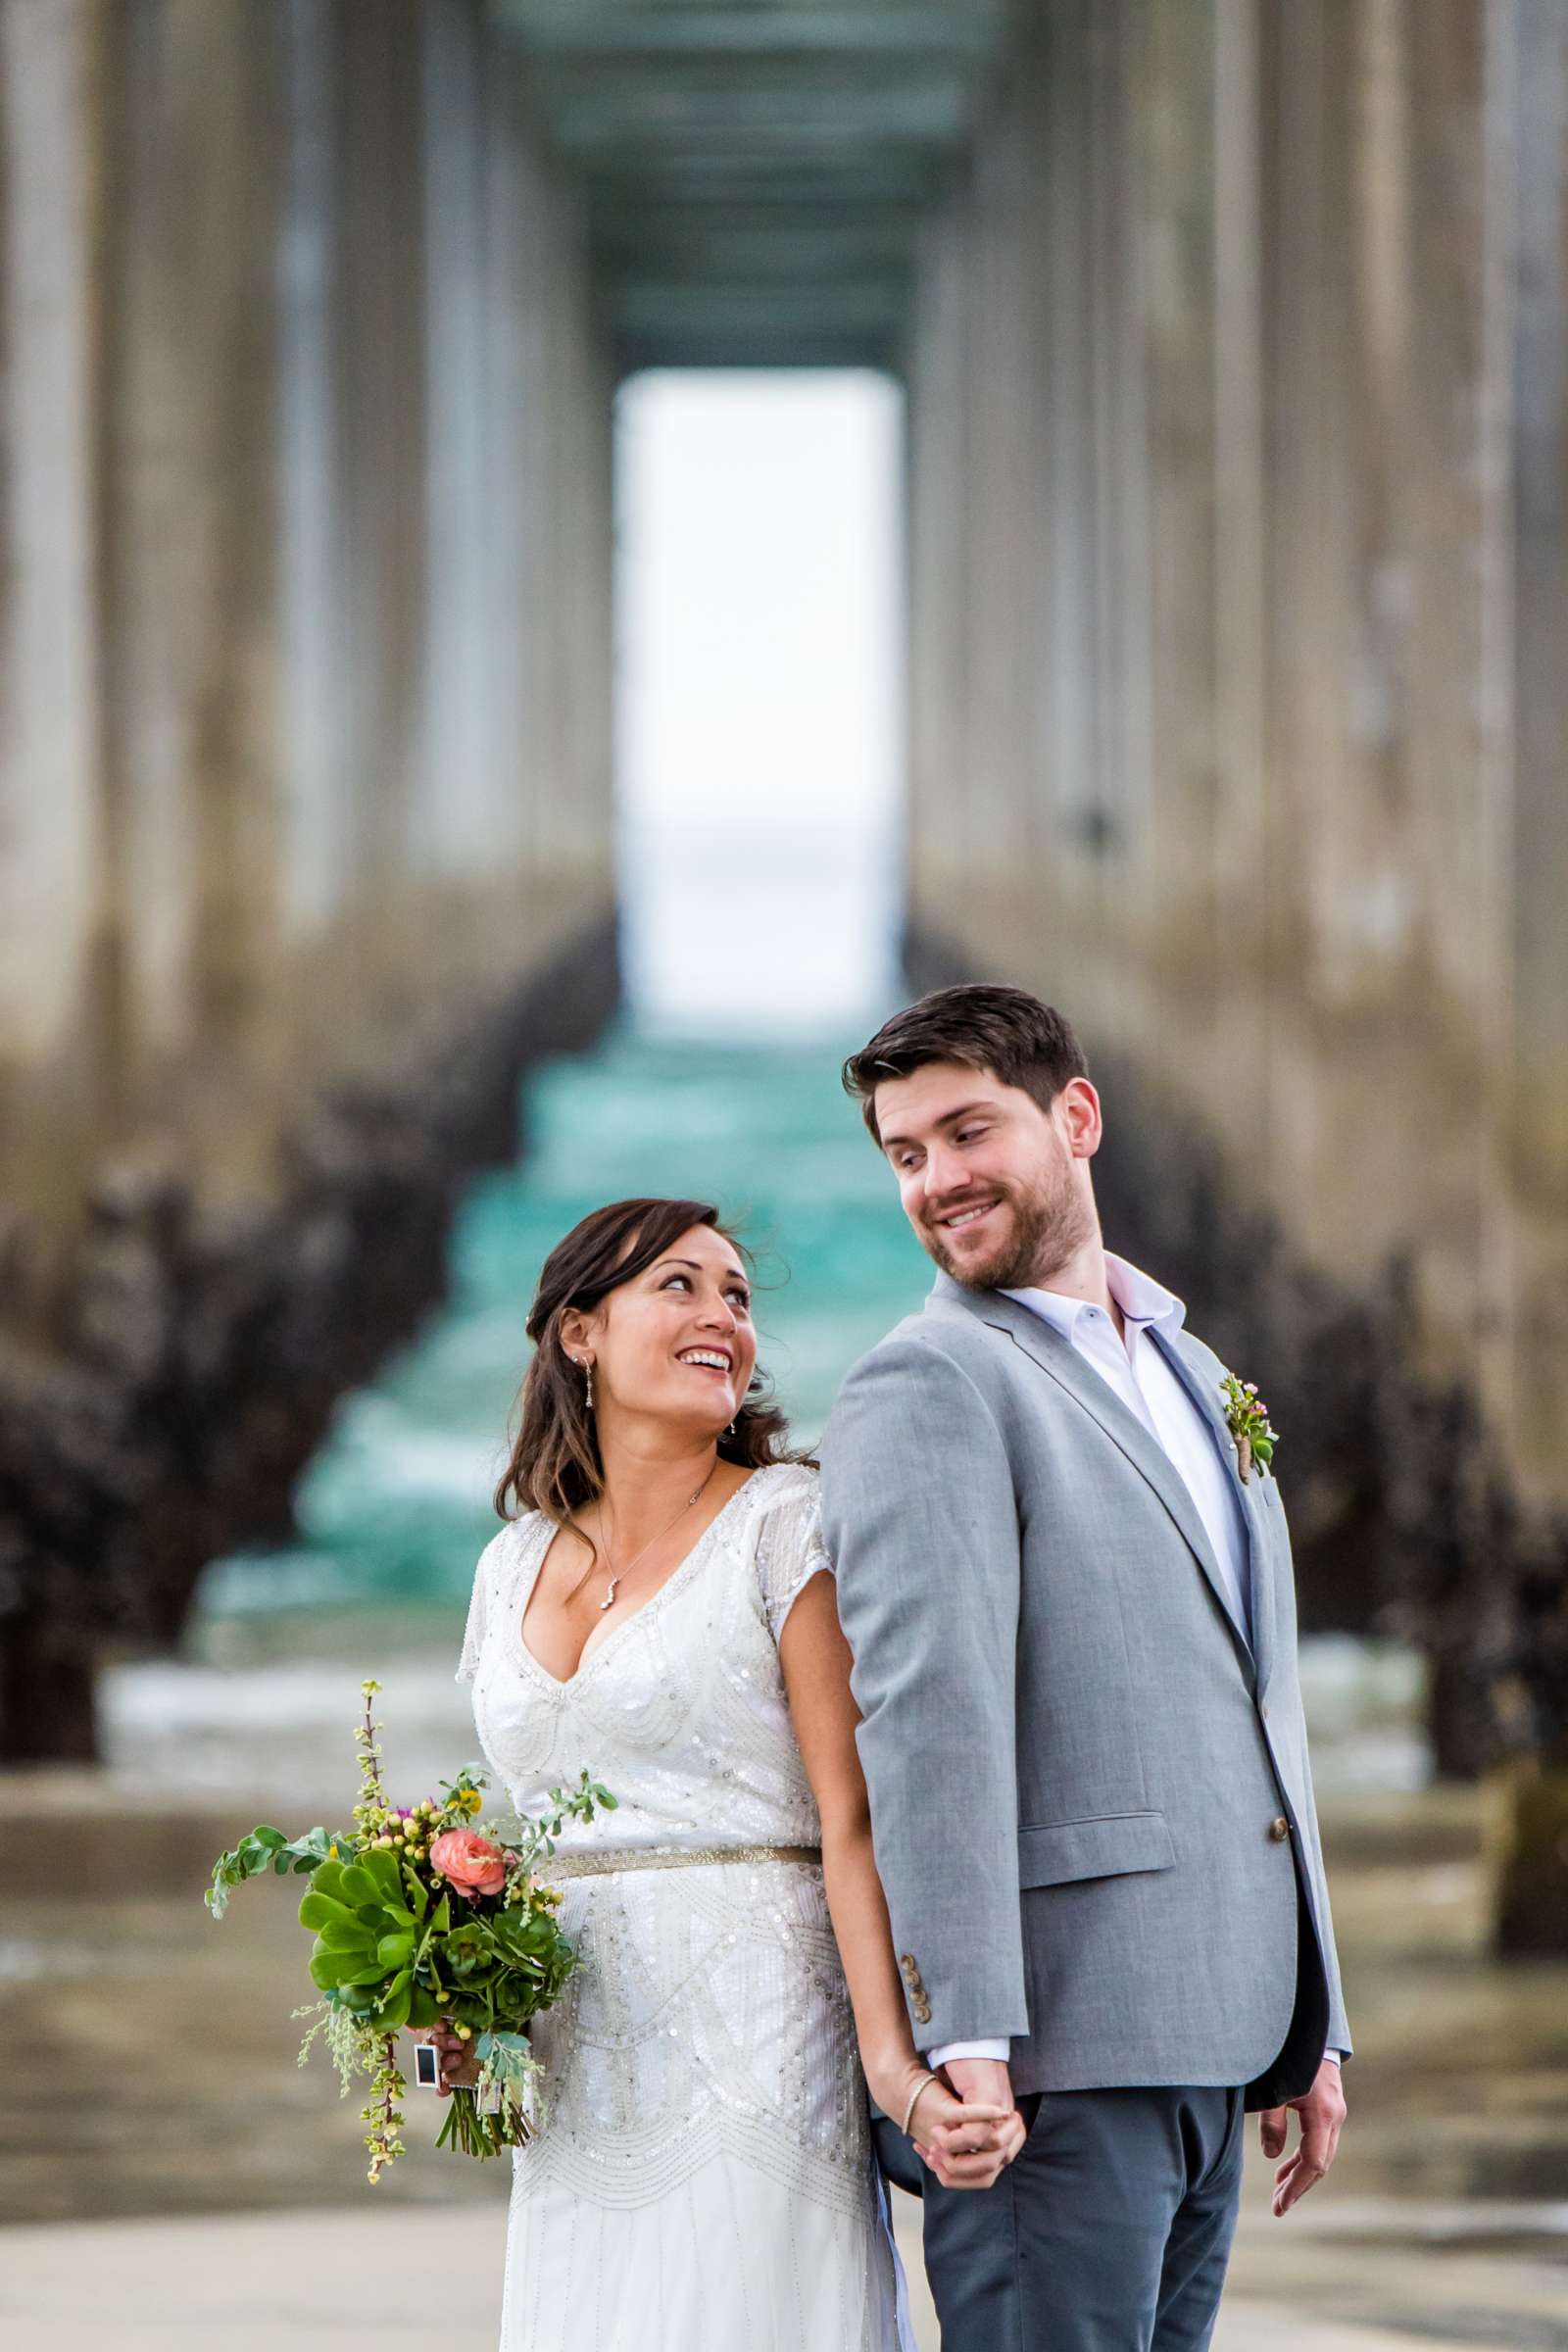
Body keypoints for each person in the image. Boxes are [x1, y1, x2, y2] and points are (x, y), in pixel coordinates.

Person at [820, 984, 1351, 2352]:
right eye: (905, 1155)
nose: (937, 1180)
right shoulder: (930, 1381)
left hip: (1218, 2036)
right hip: (1046, 2069)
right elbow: (931, 1730)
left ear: (1078, 1118)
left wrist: (1315, 2024)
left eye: (965, 1132)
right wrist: (968, 2042)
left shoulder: (1192, 1370)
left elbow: (1258, 1706)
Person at [425, 1196, 1022, 2352]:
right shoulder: (509, 1564)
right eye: (681, 1286)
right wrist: (458, 2025)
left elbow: (853, 1822)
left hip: (760, 2053)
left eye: (738, 1296)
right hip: (571, 2080)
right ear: (578, 1332)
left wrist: (897, 2068)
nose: (723, 1318)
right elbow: (525, 1839)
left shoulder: (783, 1522)